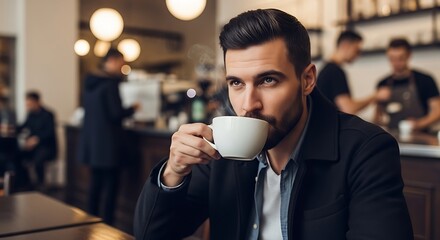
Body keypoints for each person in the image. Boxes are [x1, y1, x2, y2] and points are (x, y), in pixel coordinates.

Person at [134, 9, 413, 240]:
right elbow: (152, 234)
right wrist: (173, 172)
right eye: (236, 83)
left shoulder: (365, 150)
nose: (248, 104)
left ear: (307, 80)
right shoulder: (223, 150)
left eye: (268, 80)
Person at [77, 48, 139, 225]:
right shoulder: (110, 83)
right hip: (109, 145)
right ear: (112, 60)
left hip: (93, 144)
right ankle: (107, 225)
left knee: (95, 186)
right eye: (121, 62)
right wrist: (132, 109)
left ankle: (89, 222)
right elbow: (115, 113)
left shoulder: (90, 82)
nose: (123, 66)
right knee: (111, 188)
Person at [375, 38, 440, 131]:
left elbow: (437, 112)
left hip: (421, 135)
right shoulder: (383, 83)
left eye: (400, 58)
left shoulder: (425, 80)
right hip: (392, 136)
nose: (396, 63)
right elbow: (378, 118)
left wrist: (419, 124)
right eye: (392, 59)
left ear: (409, 56)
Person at [317, 30, 387, 114]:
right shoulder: (335, 71)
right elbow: (348, 108)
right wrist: (375, 96)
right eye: (357, 50)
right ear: (345, 46)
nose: (358, 55)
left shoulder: (327, 69)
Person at [16, 91, 57, 189]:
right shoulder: (30, 114)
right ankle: (25, 183)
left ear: (36, 102)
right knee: (18, 156)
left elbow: (49, 133)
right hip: (33, 146)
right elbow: (23, 126)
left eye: (29, 104)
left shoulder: (48, 114)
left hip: (46, 146)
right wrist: (12, 129)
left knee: (38, 160)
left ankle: (40, 185)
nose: (28, 106)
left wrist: (36, 140)